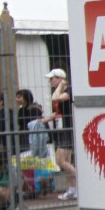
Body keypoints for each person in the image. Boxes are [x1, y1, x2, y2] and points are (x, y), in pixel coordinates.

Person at [42, 69, 77, 199]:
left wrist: (61, 86)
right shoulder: (60, 92)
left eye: (52, 79)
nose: (50, 82)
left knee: (59, 160)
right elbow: (58, 113)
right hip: (62, 130)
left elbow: (55, 98)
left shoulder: (67, 91)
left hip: (69, 129)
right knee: (66, 162)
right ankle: (72, 188)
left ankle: (82, 181)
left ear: (60, 79)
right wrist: (45, 119)